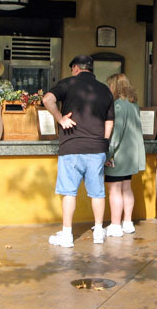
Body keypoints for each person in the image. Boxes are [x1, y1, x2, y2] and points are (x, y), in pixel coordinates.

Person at [42, 55, 114, 248]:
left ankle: (66, 235)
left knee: (69, 193)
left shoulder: (68, 83)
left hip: (71, 147)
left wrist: (60, 118)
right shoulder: (105, 89)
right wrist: (104, 145)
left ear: (75, 68)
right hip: (97, 148)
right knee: (97, 193)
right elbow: (109, 121)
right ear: (91, 69)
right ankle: (99, 232)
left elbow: (47, 99)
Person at [104, 73, 146, 237]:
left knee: (114, 190)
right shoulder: (133, 104)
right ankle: (127, 223)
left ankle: (115, 226)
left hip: (118, 155)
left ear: (114, 86)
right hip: (131, 156)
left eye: (110, 85)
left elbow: (116, 134)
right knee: (127, 188)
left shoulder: (118, 105)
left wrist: (108, 154)